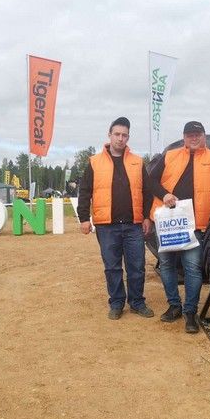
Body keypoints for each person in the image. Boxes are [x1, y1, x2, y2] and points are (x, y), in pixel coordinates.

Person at [149, 121, 210, 333]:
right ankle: (174, 306)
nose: (194, 138)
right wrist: (164, 195)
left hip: (196, 224)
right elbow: (150, 180)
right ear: (184, 136)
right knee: (167, 266)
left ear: (204, 136)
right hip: (169, 224)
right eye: (190, 135)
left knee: (192, 269)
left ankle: (190, 312)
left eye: (197, 134)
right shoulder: (170, 156)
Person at [77, 117, 154, 320]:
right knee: (112, 267)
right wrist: (84, 218)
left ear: (128, 137)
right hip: (106, 226)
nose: (121, 138)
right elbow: (84, 191)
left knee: (136, 266)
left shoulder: (138, 161)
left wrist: (147, 217)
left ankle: (137, 302)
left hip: (133, 225)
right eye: (117, 134)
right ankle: (117, 302)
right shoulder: (94, 162)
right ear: (109, 135)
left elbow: (147, 192)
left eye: (124, 135)